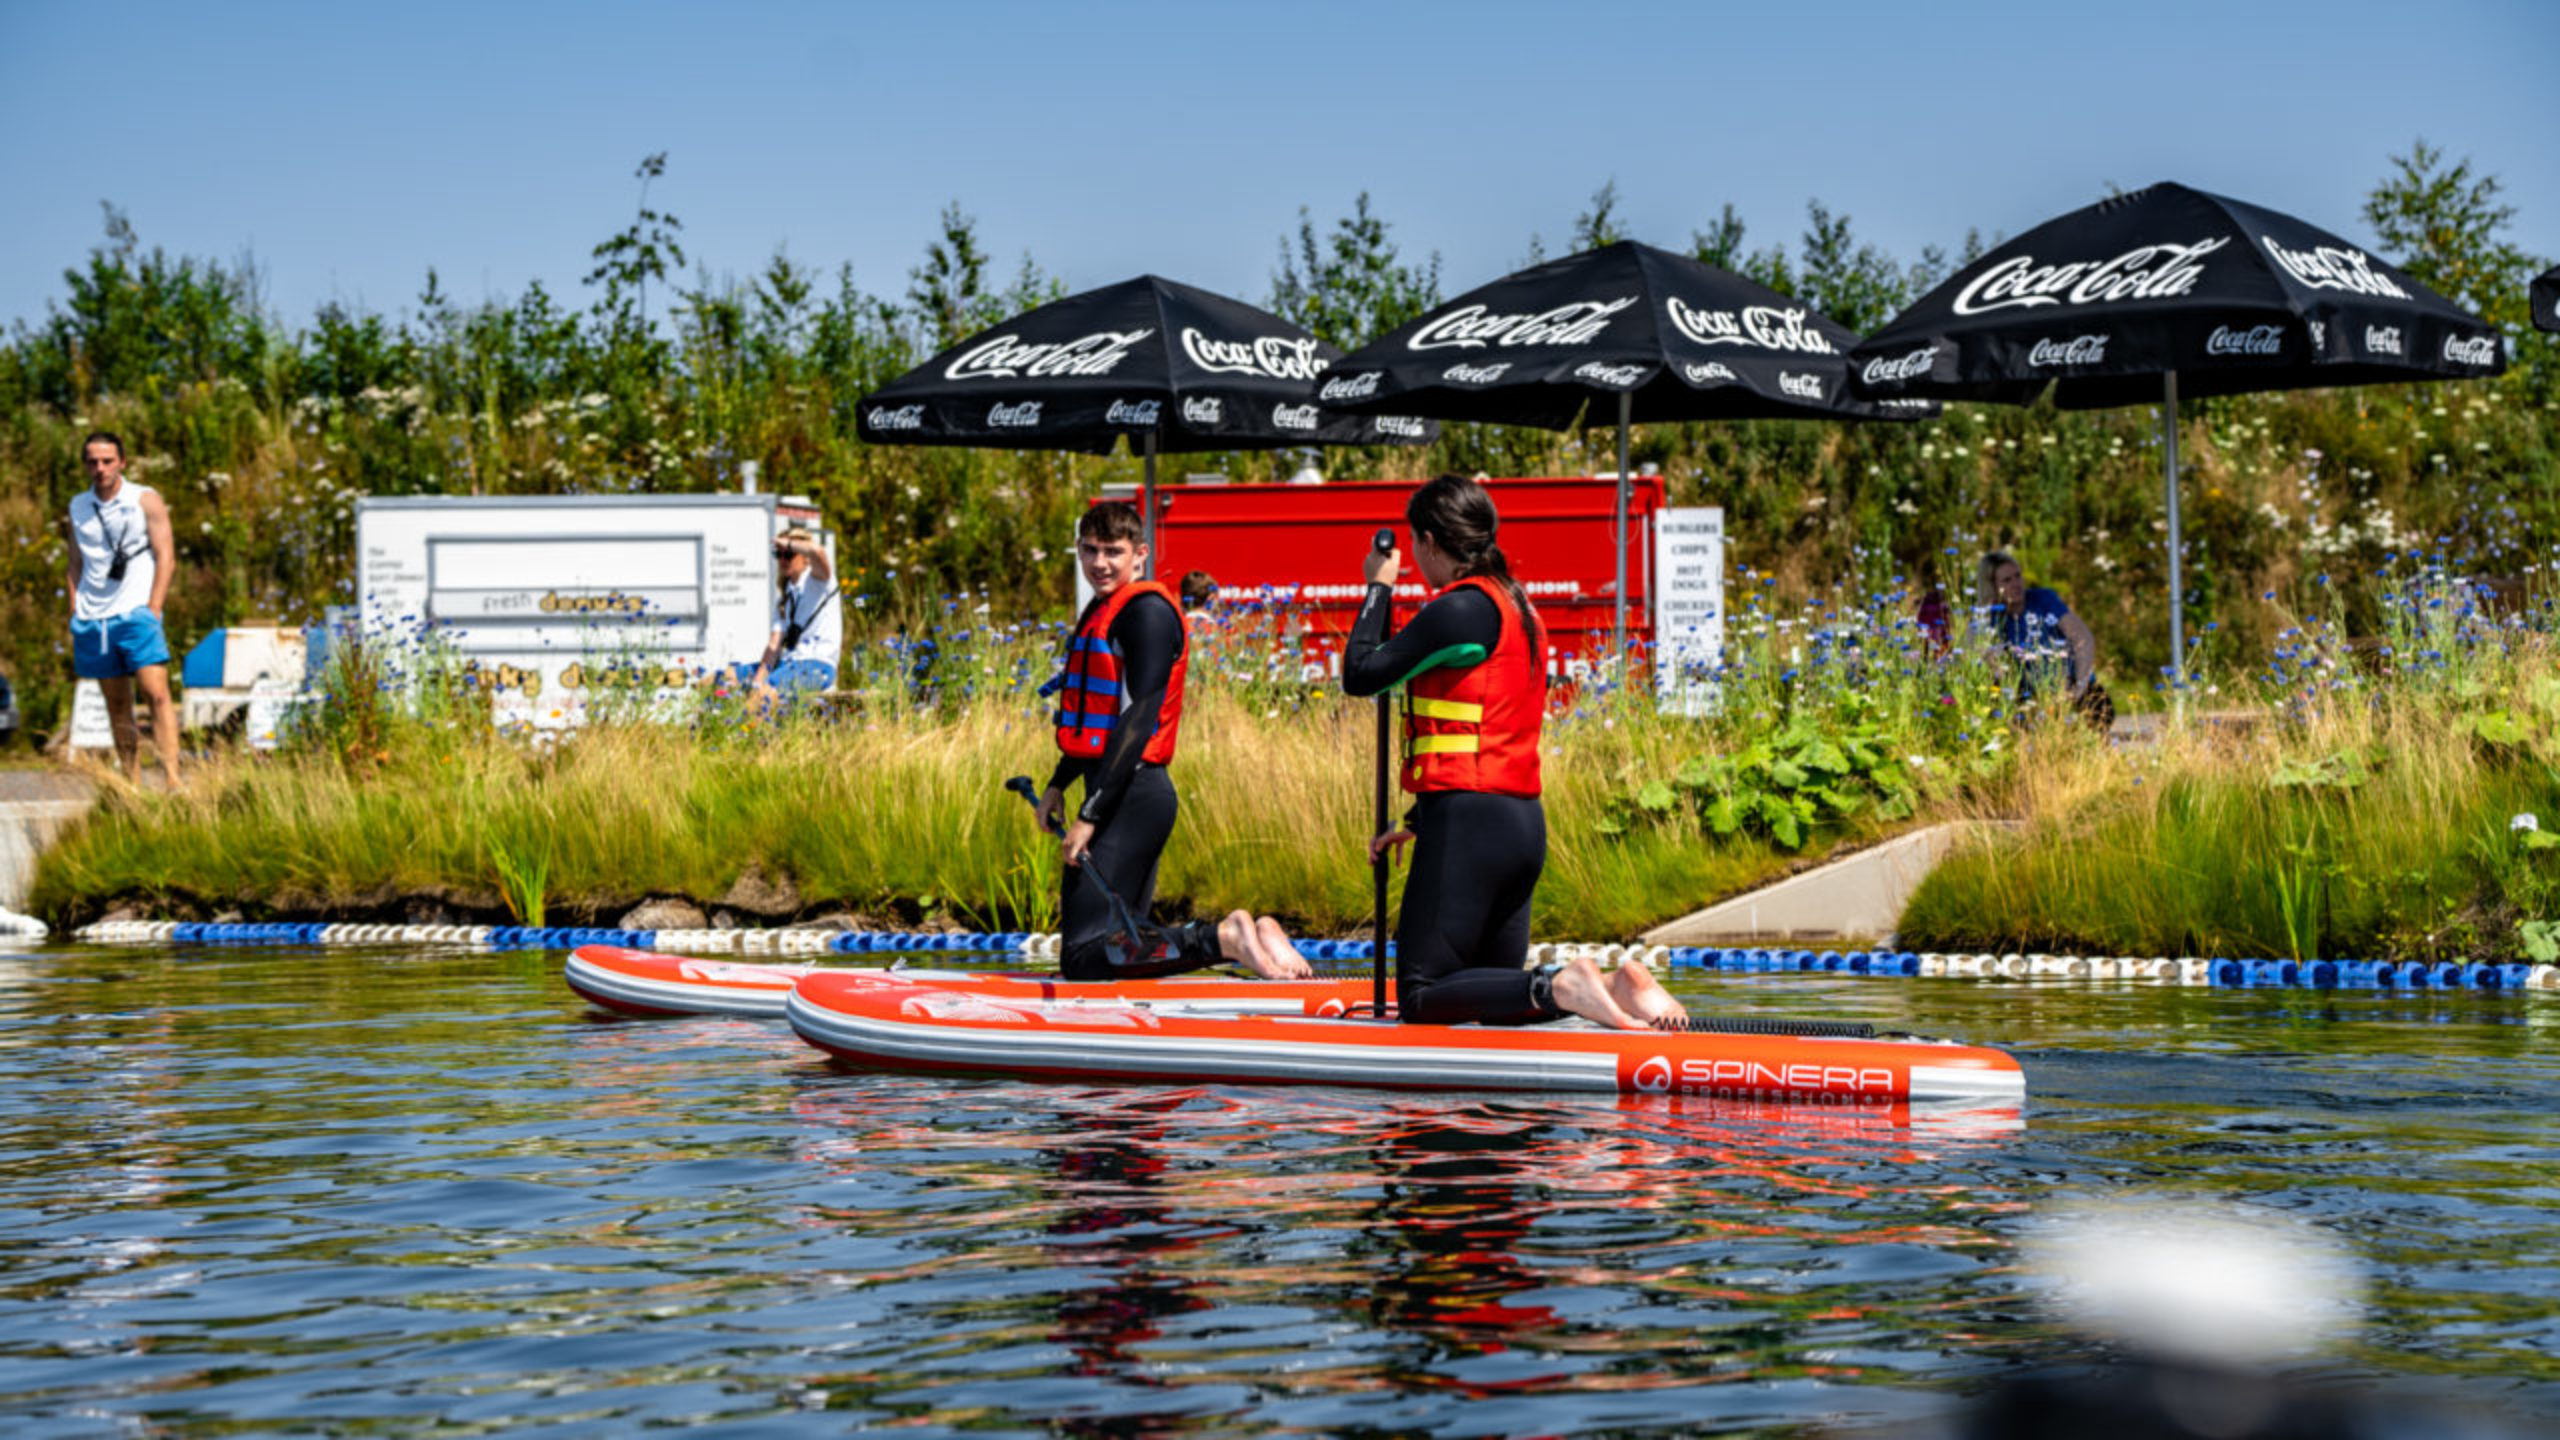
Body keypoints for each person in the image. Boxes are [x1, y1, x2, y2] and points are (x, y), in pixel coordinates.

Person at [1343, 474, 1686, 1031]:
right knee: (1493, 1011)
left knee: (1423, 997)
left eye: (1415, 546)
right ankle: (1624, 990)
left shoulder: (1460, 607)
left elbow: (1360, 675)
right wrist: (1419, 819)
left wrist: (1378, 588)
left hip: (1470, 825)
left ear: (1429, 541)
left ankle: (1562, 983)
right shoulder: (1518, 607)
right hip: (1518, 825)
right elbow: (1490, 728)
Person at [1035, 501, 1309, 982]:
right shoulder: (1101, 611)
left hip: (1133, 795)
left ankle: (1221, 939)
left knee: (1081, 957)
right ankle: (1262, 941)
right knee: (1122, 941)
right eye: (1090, 550)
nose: (1100, 562)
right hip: (1115, 789)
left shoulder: (1146, 615)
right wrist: (1059, 783)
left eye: (1113, 552)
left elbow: (1138, 720)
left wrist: (1089, 816)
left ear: (1139, 555)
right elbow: (1095, 721)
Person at [66, 432, 179, 787]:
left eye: (107, 461)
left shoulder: (144, 499)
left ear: (122, 462)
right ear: (85, 464)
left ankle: (173, 780)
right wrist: (74, 608)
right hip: (94, 617)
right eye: (93, 461)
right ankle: (131, 784)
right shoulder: (78, 506)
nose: (100, 468)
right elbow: (74, 561)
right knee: (117, 704)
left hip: (136, 612)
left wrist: (154, 607)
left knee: (157, 693)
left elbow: (166, 556)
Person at [1978, 550, 2112, 727]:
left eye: (2017, 576)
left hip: (2069, 683)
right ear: (1992, 587)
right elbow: (1979, 655)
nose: (2016, 584)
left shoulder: (2043, 599)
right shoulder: (1990, 619)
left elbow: (2082, 637)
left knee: (2101, 713)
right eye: (2006, 581)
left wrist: (2078, 687)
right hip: (2028, 694)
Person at [749, 526, 839, 709]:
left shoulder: (819, 581)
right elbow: (774, 646)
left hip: (818, 664)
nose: (783, 560)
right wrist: (756, 682)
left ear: (804, 557)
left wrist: (789, 542)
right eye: (778, 555)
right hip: (790, 662)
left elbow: (817, 551)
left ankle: (745, 735)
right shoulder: (785, 596)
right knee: (723, 678)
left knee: (765, 694)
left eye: (789, 554)